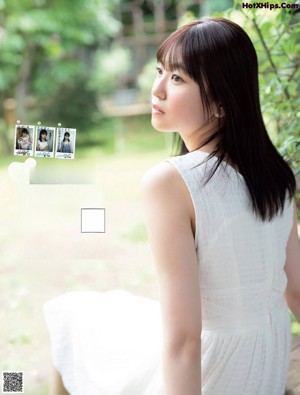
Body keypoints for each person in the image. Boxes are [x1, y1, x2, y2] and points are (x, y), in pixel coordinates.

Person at [44, 17, 300, 395]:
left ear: (221, 103)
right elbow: (296, 292)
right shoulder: (276, 175)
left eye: (178, 79)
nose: (157, 89)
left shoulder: (171, 182)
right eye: (160, 71)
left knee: (72, 315)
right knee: (105, 311)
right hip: (262, 363)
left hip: (211, 373)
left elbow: (184, 340)